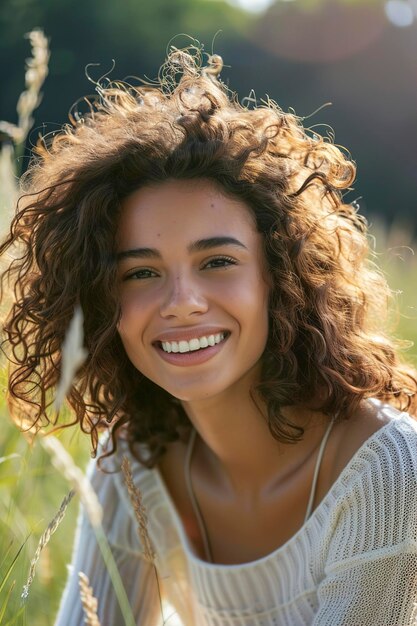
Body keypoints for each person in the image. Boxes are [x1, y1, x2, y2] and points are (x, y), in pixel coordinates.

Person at [1, 46, 417, 626]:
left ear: (280, 276)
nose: (182, 304)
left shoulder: (389, 473)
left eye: (217, 261)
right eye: (140, 273)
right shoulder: (131, 462)